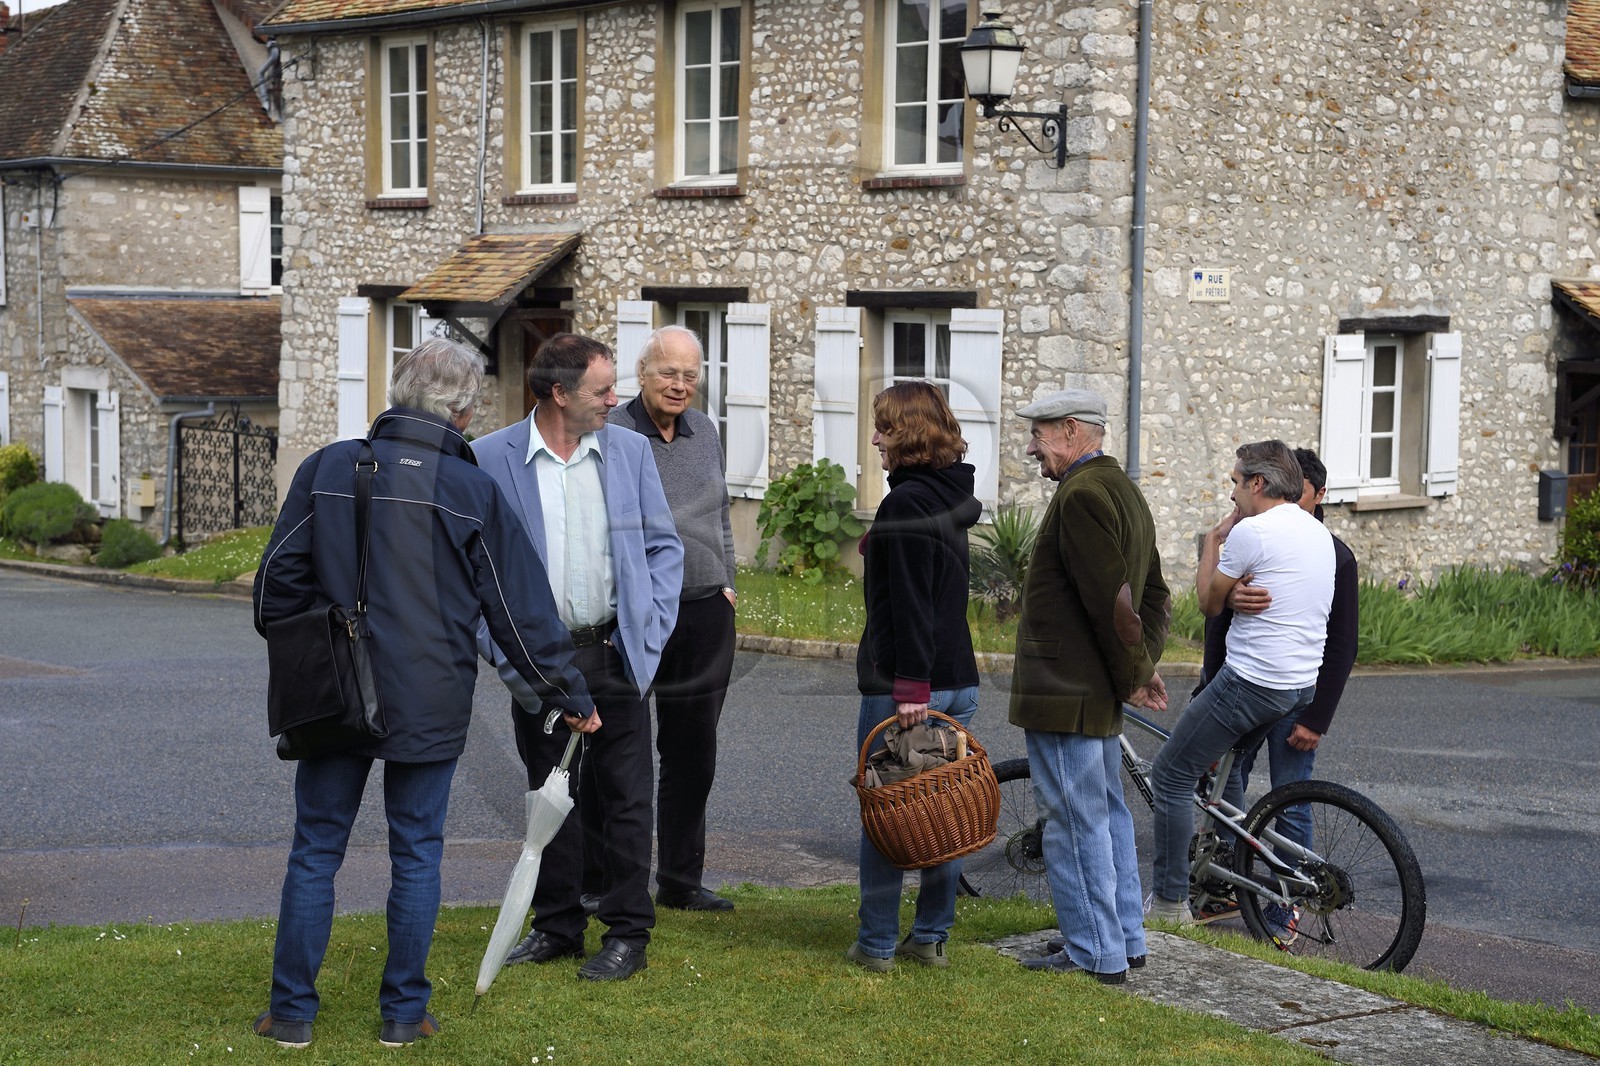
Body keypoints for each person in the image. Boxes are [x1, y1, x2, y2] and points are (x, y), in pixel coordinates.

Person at [251, 337, 595, 1049]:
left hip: (334, 690)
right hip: (431, 694)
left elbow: (272, 591)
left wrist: (319, 645)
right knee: (416, 851)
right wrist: (568, 692)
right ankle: (404, 1014)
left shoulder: (327, 468)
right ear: (464, 411)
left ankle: (291, 1014)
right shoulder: (472, 491)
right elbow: (519, 611)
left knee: (316, 848)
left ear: (398, 393)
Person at [473, 331, 683, 982]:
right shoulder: (488, 459)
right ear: (557, 394)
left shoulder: (628, 450)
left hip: (616, 654)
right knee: (548, 793)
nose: (615, 400)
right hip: (540, 664)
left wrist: (645, 641)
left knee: (625, 798)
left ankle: (627, 934)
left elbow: (664, 550)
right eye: (602, 390)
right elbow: (471, 578)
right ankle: (557, 925)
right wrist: (514, 661)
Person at [1008, 387, 1169, 985]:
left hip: (1064, 688)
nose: (1032, 447)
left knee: (1074, 819)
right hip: (1091, 686)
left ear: (1072, 431)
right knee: (1107, 814)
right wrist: (1141, 665)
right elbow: (1152, 596)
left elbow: (1113, 603)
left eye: (1039, 434)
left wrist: (1134, 675)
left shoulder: (1080, 494)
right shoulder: (1124, 489)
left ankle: (1093, 951)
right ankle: (1125, 939)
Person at [1148, 440, 1333, 931]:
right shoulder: (1316, 533)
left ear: (1257, 483)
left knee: (1169, 774)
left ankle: (1169, 905)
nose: (1231, 493)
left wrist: (1213, 542)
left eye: (1235, 482)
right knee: (1224, 777)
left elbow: (1208, 603)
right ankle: (1223, 874)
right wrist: (1235, 595)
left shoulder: (1251, 531)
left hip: (1250, 683)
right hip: (1298, 688)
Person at [847, 381, 983, 972]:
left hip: (908, 686)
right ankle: (930, 935)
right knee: (942, 812)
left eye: (882, 428)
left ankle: (876, 944)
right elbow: (932, 579)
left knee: (890, 811)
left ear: (905, 436)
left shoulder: (903, 503)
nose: (874, 438)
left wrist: (909, 690)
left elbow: (908, 602)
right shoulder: (947, 494)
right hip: (959, 677)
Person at [605, 325, 739, 912]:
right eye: (668, 372)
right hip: (634, 613)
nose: (680, 385)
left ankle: (681, 881)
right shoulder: (612, 430)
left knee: (693, 754)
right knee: (616, 750)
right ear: (642, 374)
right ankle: (606, 881)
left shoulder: (706, 431)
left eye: (690, 374)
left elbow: (721, 512)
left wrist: (727, 579)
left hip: (706, 610)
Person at [1196, 447, 1359, 880]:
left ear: (1318, 495)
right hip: (1240, 681)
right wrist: (1209, 681)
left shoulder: (1332, 552)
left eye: (1301, 495)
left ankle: (1291, 893)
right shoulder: (1252, 535)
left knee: (1291, 796)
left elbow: (1341, 643)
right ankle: (1227, 874)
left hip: (1296, 698)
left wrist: (1317, 717)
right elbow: (1217, 620)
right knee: (1227, 778)